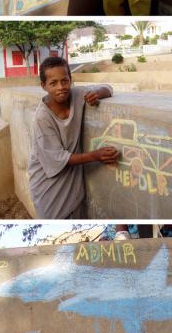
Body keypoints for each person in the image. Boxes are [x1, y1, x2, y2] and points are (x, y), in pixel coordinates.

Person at [28, 57, 119, 219]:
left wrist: (96, 94)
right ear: (43, 86)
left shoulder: (77, 95)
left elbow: (108, 88)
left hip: (72, 184)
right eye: (53, 83)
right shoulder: (42, 117)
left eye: (65, 81)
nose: (61, 87)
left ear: (71, 80)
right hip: (49, 187)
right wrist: (95, 155)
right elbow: (57, 159)